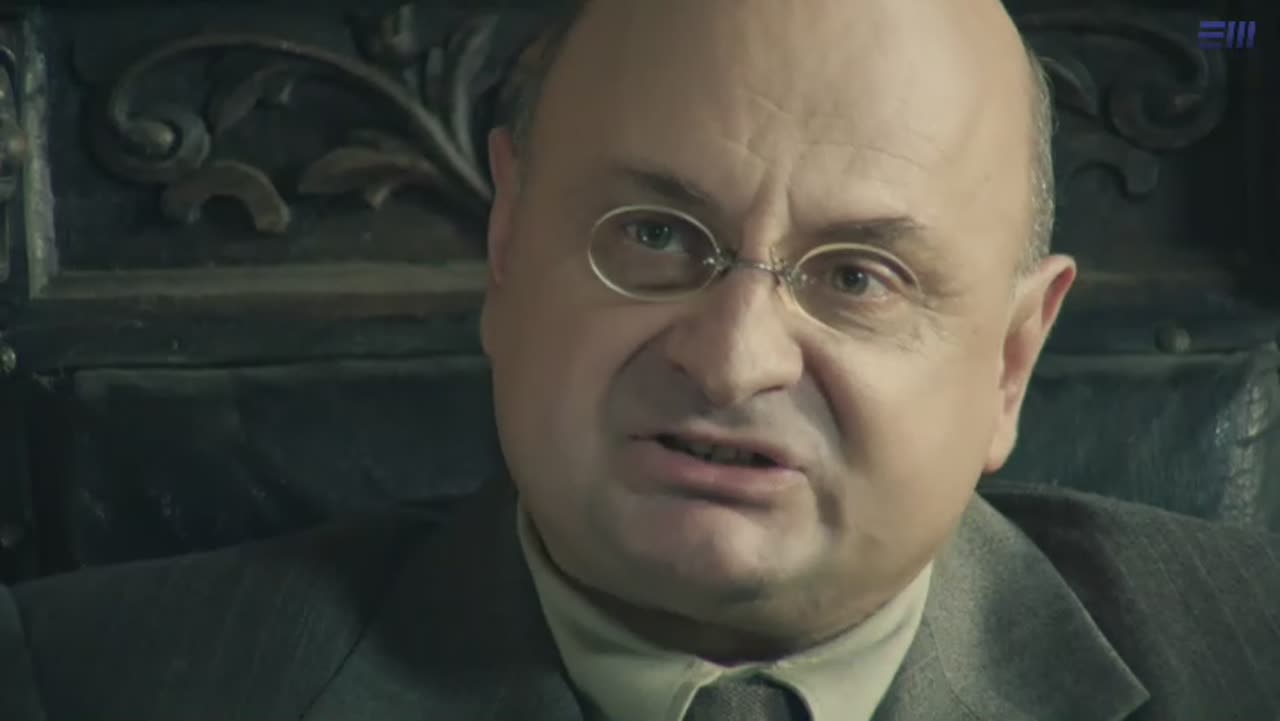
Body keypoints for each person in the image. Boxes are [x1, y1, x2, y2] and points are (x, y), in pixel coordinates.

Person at [4, 0, 1279, 719]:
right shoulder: (79, 683)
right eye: (655, 236)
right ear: (508, 248)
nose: (730, 362)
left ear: (1008, 360)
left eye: (856, 277)